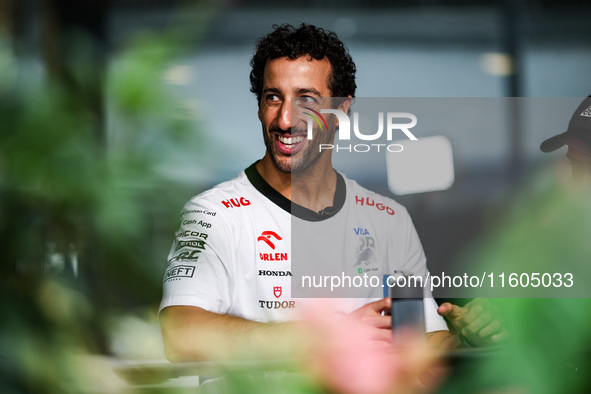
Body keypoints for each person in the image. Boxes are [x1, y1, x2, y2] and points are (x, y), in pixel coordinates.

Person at [158, 23, 476, 363]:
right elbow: (180, 334)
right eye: (273, 97)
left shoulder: (388, 220)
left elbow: (418, 345)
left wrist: (471, 339)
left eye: (306, 99)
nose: (284, 119)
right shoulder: (214, 214)